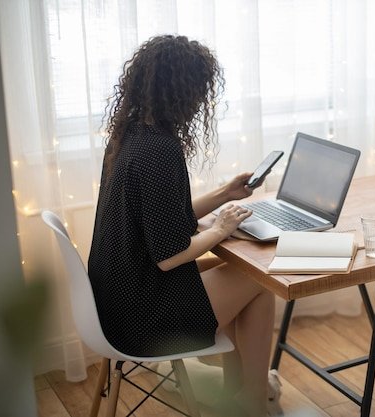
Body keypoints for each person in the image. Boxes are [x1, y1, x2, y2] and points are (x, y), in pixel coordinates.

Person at [88, 35, 276, 417]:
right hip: (143, 323)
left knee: (240, 273)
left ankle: (240, 392)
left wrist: (223, 194)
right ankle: (252, 402)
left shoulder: (128, 136)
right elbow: (170, 256)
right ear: (184, 93)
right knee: (261, 279)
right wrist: (220, 229)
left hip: (113, 302)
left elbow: (159, 219)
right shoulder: (160, 150)